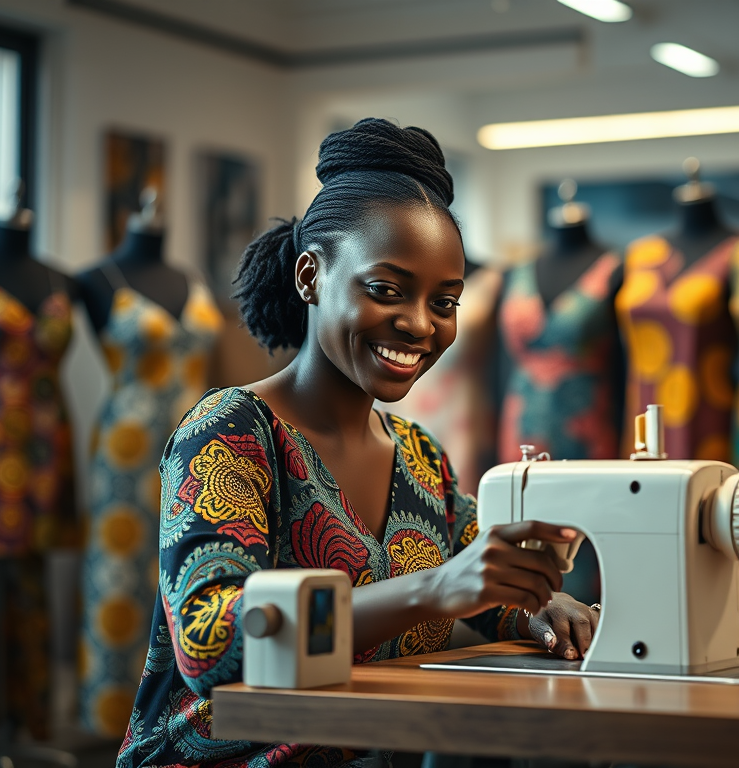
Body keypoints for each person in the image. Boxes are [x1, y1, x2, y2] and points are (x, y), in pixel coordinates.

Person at [116, 118, 598, 768]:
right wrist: (435, 590)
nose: (421, 324)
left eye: (445, 301)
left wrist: (539, 606)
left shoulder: (418, 455)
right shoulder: (231, 429)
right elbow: (211, 644)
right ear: (310, 277)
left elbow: (477, 575)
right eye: (386, 290)